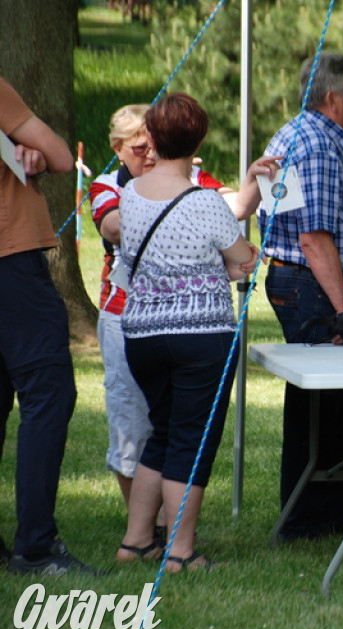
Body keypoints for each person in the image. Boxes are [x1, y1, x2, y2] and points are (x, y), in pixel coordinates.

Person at [90, 104, 268, 531]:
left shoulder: (129, 194)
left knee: (161, 436)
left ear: (154, 139)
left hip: (142, 329)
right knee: (189, 440)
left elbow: (144, 247)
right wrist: (234, 262)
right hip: (197, 332)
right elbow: (241, 256)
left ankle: (135, 541)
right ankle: (178, 548)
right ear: (199, 141)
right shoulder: (204, 199)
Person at [259, 53, 343, 541]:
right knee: (325, 404)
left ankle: (328, 516)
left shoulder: (316, 138)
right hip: (311, 286)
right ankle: (309, 521)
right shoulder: (315, 144)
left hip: (310, 284)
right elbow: (313, 239)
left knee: (331, 404)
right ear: (334, 98)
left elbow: (326, 218)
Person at [0, 76, 98, 575]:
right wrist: (30, 145)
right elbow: (60, 155)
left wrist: (19, 149)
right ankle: (36, 547)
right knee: (50, 395)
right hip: (11, 260)